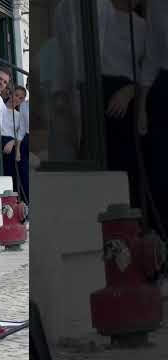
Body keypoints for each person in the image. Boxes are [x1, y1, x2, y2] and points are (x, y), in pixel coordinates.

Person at [96, 0, 145, 209]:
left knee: (131, 164)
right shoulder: (100, 13)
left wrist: (130, 91)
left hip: (131, 96)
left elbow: (149, 68)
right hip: (99, 91)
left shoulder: (143, 26)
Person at [140, 0, 168, 234]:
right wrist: (141, 108)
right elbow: (152, 56)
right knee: (161, 174)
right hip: (163, 87)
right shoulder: (158, 5)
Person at [17, 83, 30, 204]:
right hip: (26, 140)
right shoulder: (23, 106)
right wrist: (17, 151)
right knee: (26, 176)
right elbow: (21, 129)